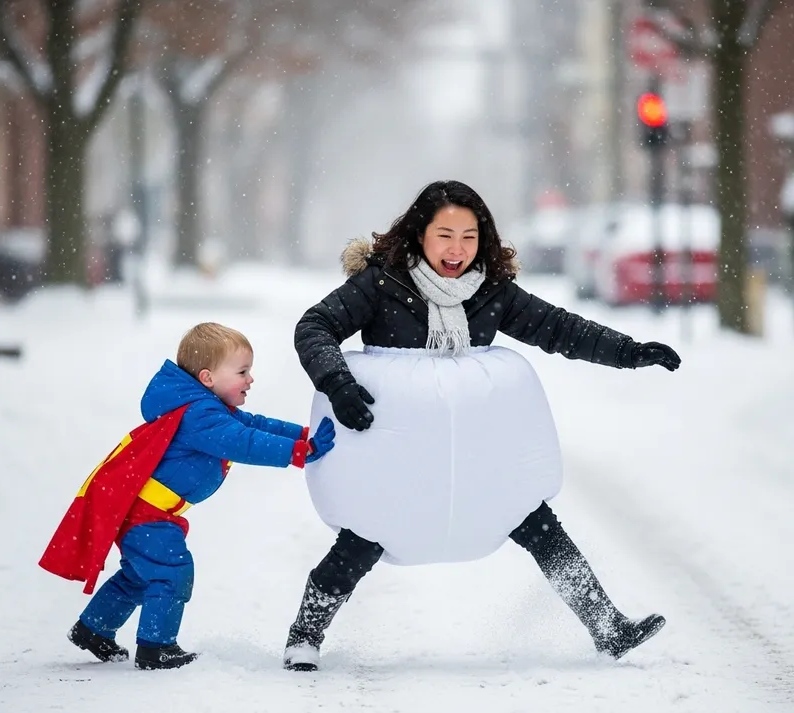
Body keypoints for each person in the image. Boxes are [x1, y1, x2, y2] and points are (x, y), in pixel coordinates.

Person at [283, 180, 681, 671]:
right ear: (418, 234)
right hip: (395, 455)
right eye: (445, 234)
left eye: (469, 237)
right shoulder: (380, 285)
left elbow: (558, 328)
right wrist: (337, 383)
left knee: (536, 523)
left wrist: (628, 352)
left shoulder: (490, 291)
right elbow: (314, 326)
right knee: (362, 539)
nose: (457, 249)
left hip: (474, 453)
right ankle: (305, 635)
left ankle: (607, 627)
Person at [40, 322, 335, 670]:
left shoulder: (205, 406)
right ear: (208, 378)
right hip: (146, 515)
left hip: (146, 513)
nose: (250, 379)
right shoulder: (200, 416)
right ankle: (156, 646)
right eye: (242, 371)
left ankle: (94, 629)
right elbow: (243, 442)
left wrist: (304, 434)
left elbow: (253, 425)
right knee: (172, 572)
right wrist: (298, 452)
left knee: (139, 576)